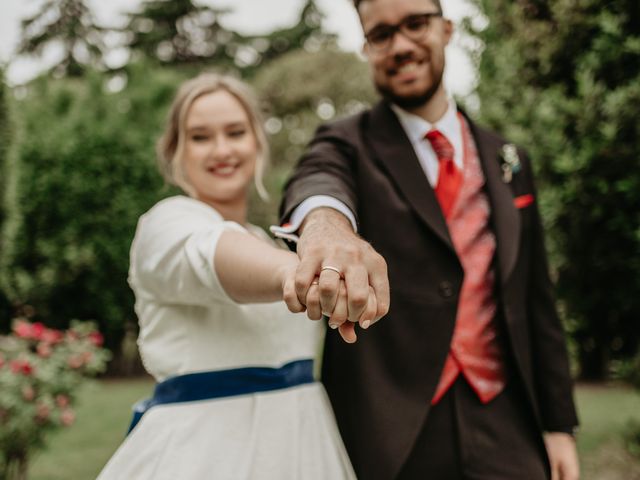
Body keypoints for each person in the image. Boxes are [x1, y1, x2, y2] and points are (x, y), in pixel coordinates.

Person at [276, 0, 580, 479]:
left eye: (416, 24)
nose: (401, 45)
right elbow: (317, 184)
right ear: (367, 47)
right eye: (382, 34)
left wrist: (559, 424)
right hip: (391, 427)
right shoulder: (345, 141)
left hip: (506, 419)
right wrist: (327, 226)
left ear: (447, 29)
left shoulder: (508, 158)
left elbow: (536, 298)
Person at [97, 73, 357, 480]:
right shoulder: (166, 223)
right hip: (202, 455)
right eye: (200, 137)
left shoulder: (271, 242)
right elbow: (210, 255)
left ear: (257, 142)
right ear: (175, 151)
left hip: (303, 444)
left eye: (235, 132)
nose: (221, 149)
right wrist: (303, 272)